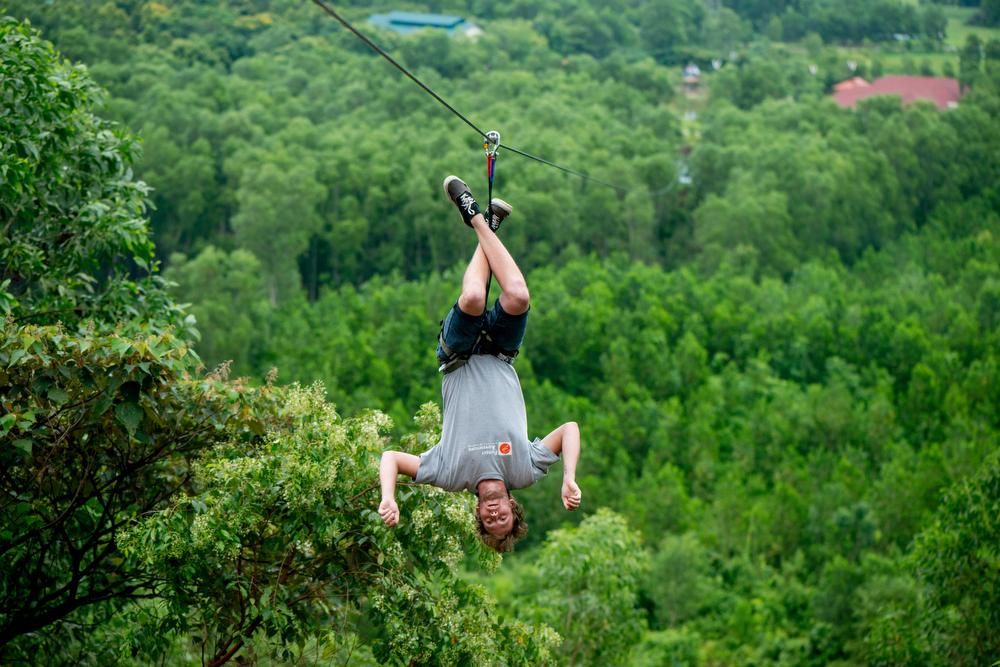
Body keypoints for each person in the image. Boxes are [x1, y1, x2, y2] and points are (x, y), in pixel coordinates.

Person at [378, 175, 582, 552]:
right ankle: (484, 222)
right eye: (502, 518)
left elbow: (390, 458)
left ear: (479, 513)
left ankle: (476, 218)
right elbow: (569, 429)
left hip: (457, 355)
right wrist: (568, 477)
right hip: (501, 353)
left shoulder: (449, 475)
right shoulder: (525, 470)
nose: (494, 516)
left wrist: (388, 498)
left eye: (489, 522)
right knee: (518, 296)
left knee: (473, 297)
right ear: (512, 506)